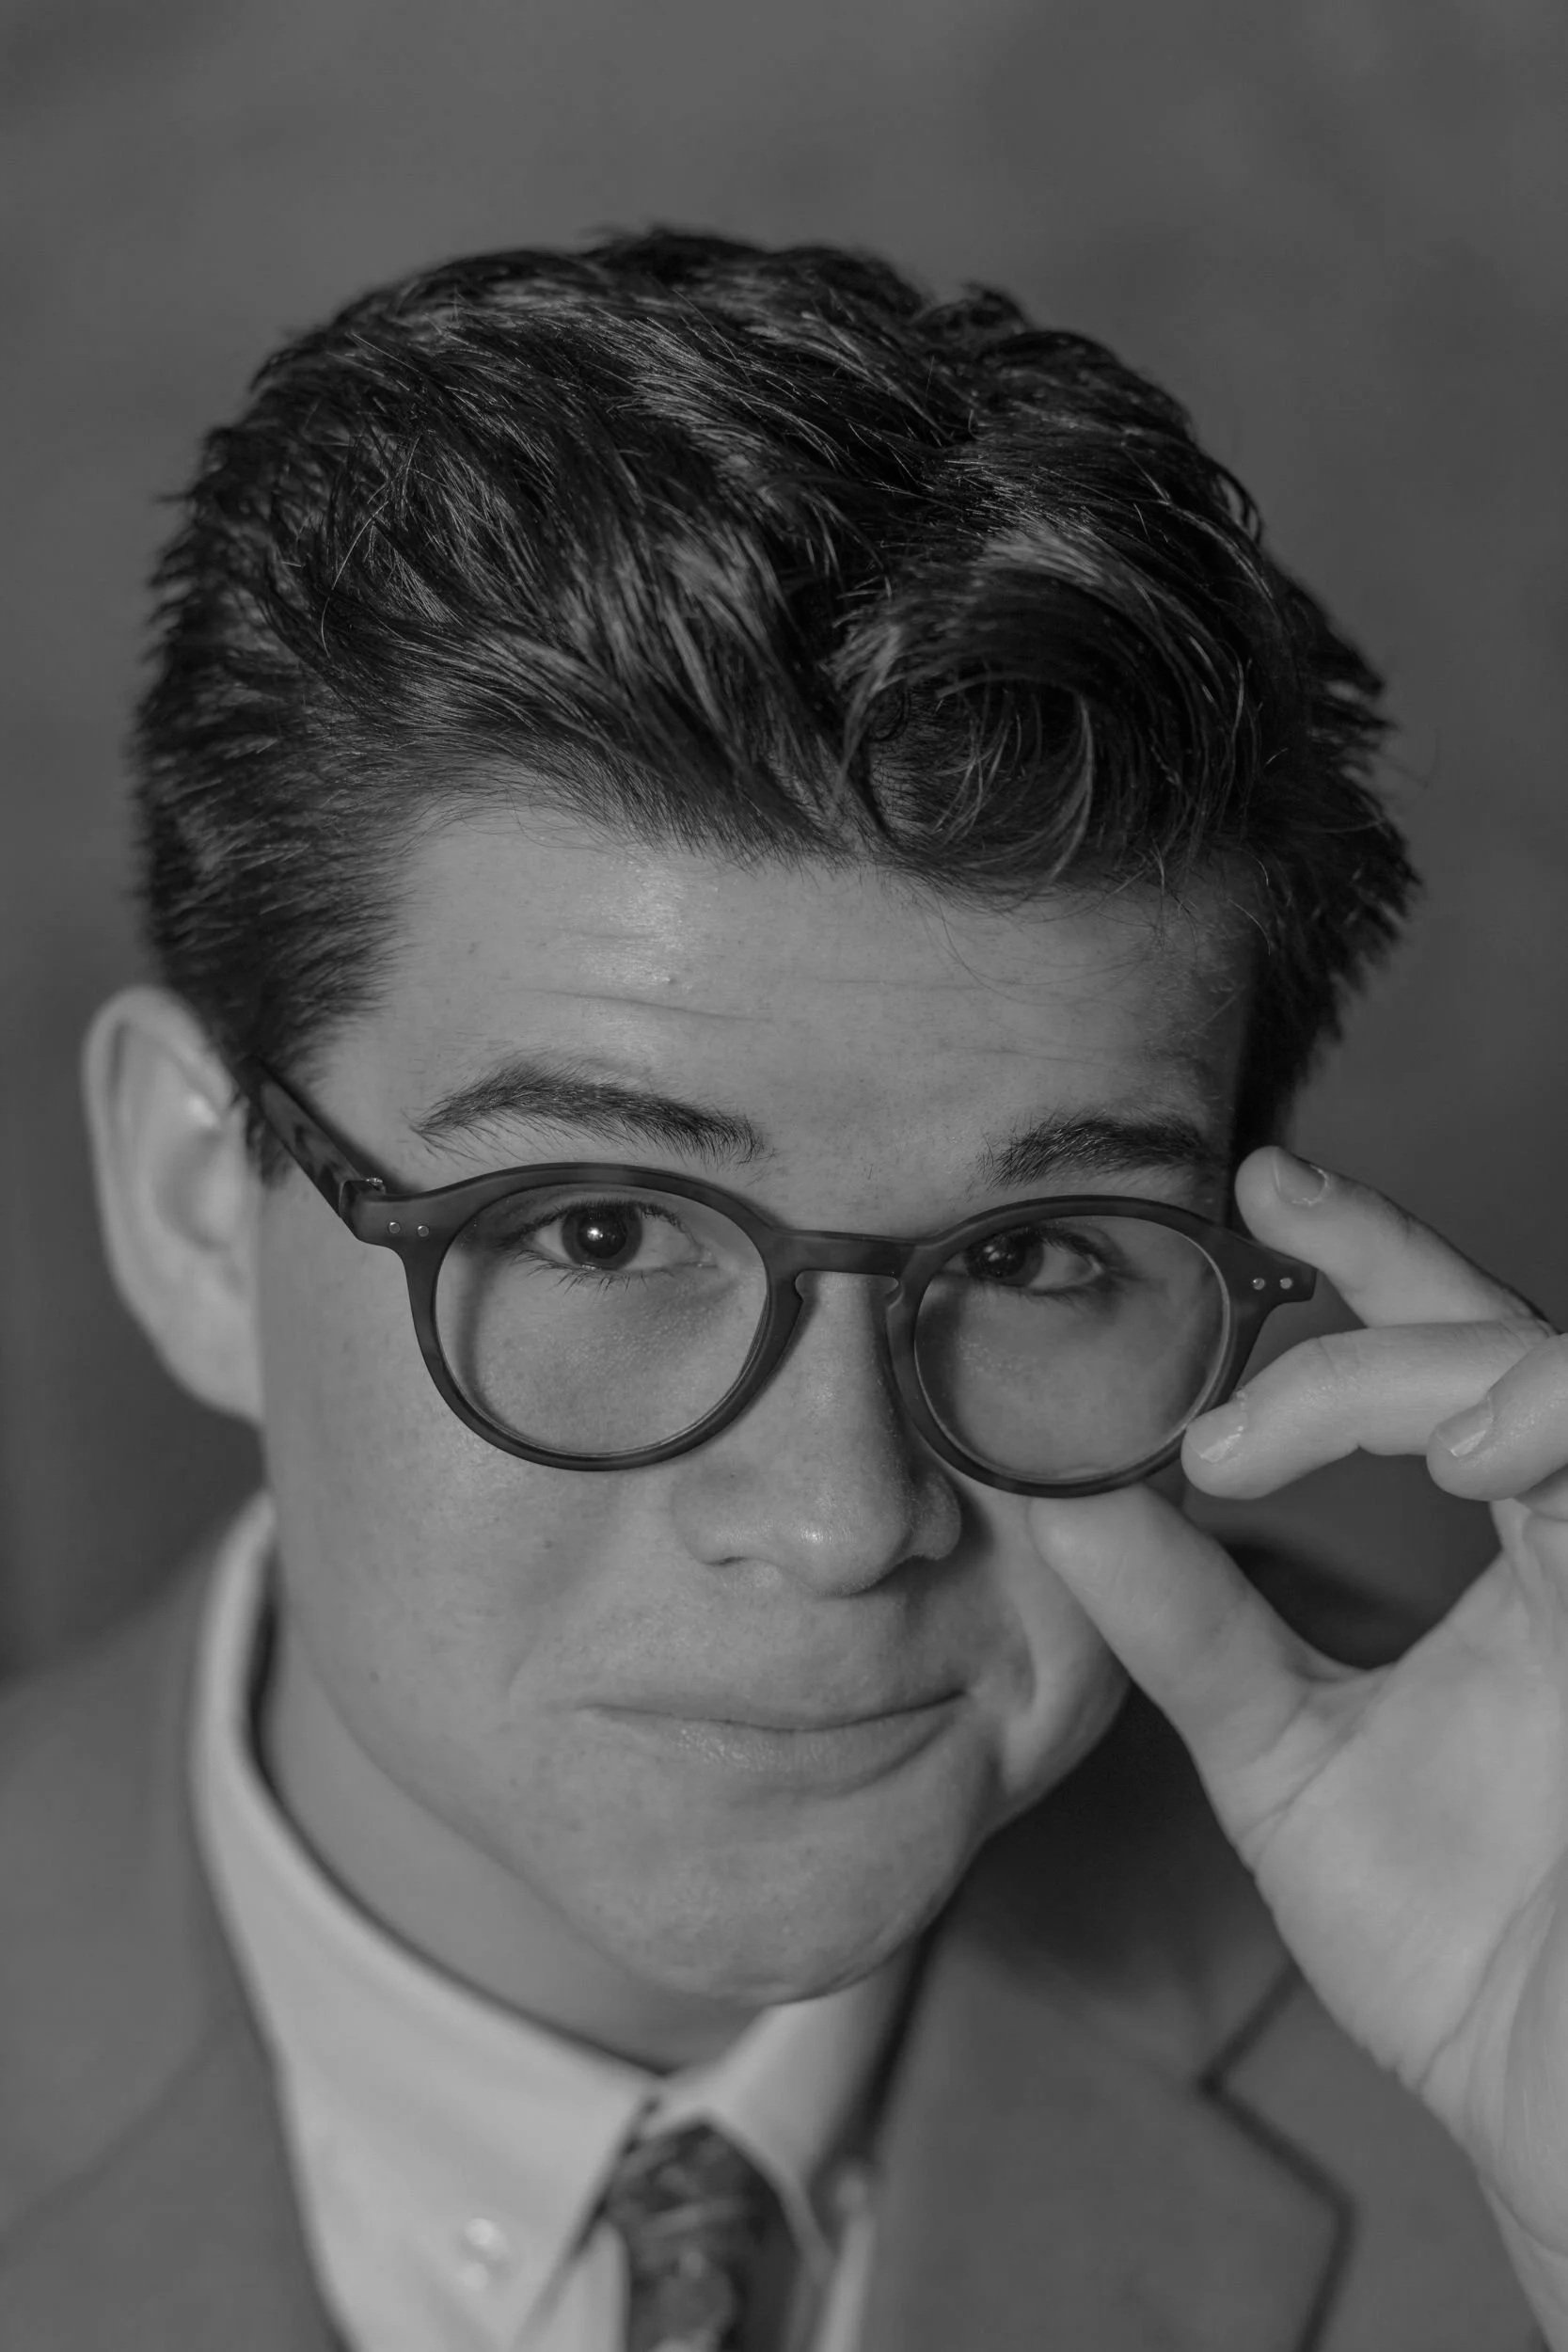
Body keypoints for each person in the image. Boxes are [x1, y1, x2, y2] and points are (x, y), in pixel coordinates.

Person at [2, 230, 1565, 2352]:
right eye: (601, 1229)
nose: (843, 1513)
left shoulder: (1512, 2009)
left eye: (1031, 1256)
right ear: (196, 1207)